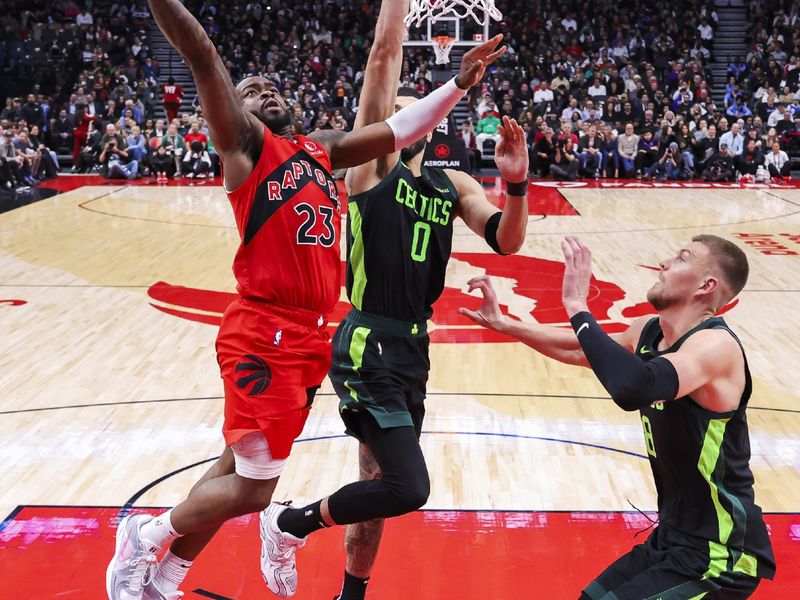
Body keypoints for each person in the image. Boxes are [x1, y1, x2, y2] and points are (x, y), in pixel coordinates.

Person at [106, 1, 507, 599]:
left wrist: (457, 82)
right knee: (255, 488)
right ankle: (147, 534)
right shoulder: (245, 148)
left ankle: (169, 573)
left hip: (308, 337)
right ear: (231, 113)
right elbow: (200, 52)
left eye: (270, 85)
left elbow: (399, 130)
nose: (264, 90)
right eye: (250, 89)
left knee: (237, 469)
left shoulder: (319, 151)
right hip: (265, 328)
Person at [259, 3, 526, 599]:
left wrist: (516, 183)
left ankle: (351, 593)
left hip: (411, 344)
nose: (402, 118)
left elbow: (507, 241)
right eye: (396, 112)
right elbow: (383, 56)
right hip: (365, 340)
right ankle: (287, 524)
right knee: (408, 484)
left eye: (412, 112)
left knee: (378, 487)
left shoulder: (452, 184)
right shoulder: (371, 167)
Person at [460, 235, 776, 599]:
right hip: (673, 537)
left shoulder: (714, 346)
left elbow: (633, 387)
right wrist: (506, 325)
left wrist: (578, 306)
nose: (664, 262)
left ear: (707, 286)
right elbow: (585, 350)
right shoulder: (649, 329)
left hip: (721, 551)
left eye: (681, 258)